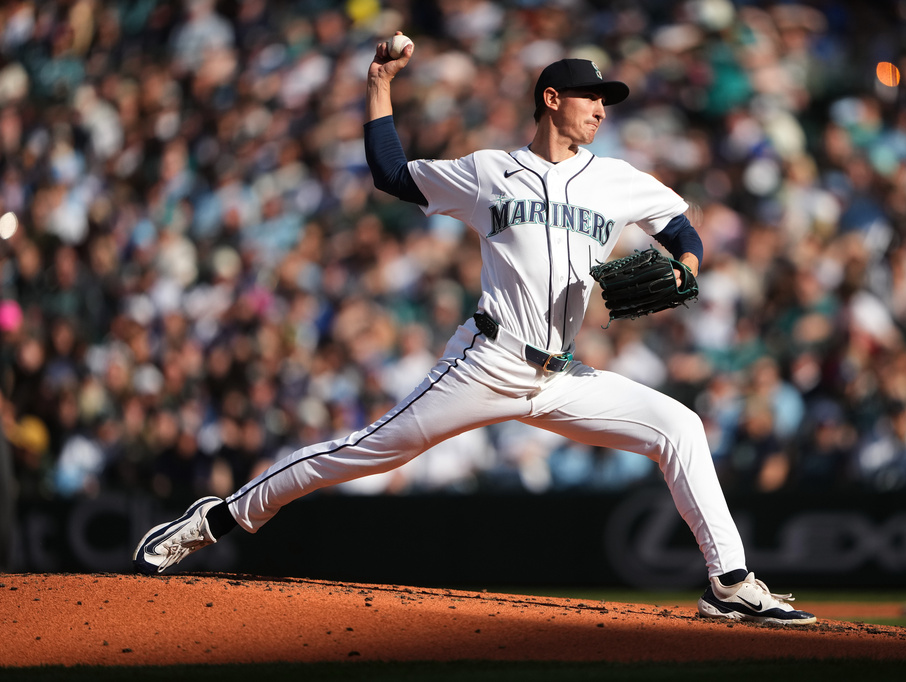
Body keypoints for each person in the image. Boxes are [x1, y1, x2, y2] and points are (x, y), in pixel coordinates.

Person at [133, 34, 816, 626]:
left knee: (680, 428)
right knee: (362, 451)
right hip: (487, 363)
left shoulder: (616, 179)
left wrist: (688, 263)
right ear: (551, 99)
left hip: (562, 377)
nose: (602, 108)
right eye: (590, 97)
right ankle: (216, 519)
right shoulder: (489, 171)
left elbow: (678, 225)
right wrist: (379, 85)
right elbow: (392, 174)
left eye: (606, 99)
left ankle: (729, 584)